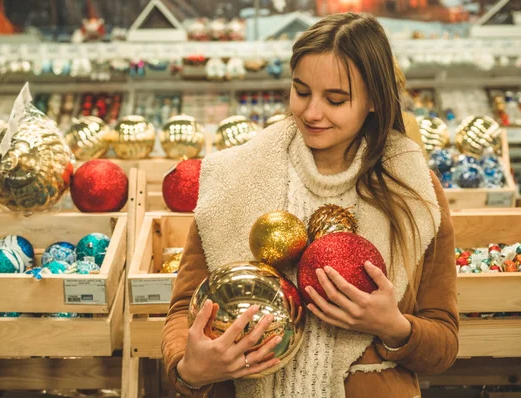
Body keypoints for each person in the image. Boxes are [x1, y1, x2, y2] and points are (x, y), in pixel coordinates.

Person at [162, 12, 458, 398]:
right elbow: (184, 307)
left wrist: (394, 326)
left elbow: (444, 342)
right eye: (301, 91)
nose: (312, 113)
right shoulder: (232, 176)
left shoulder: (413, 190)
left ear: (374, 100)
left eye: (336, 99)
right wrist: (191, 370)